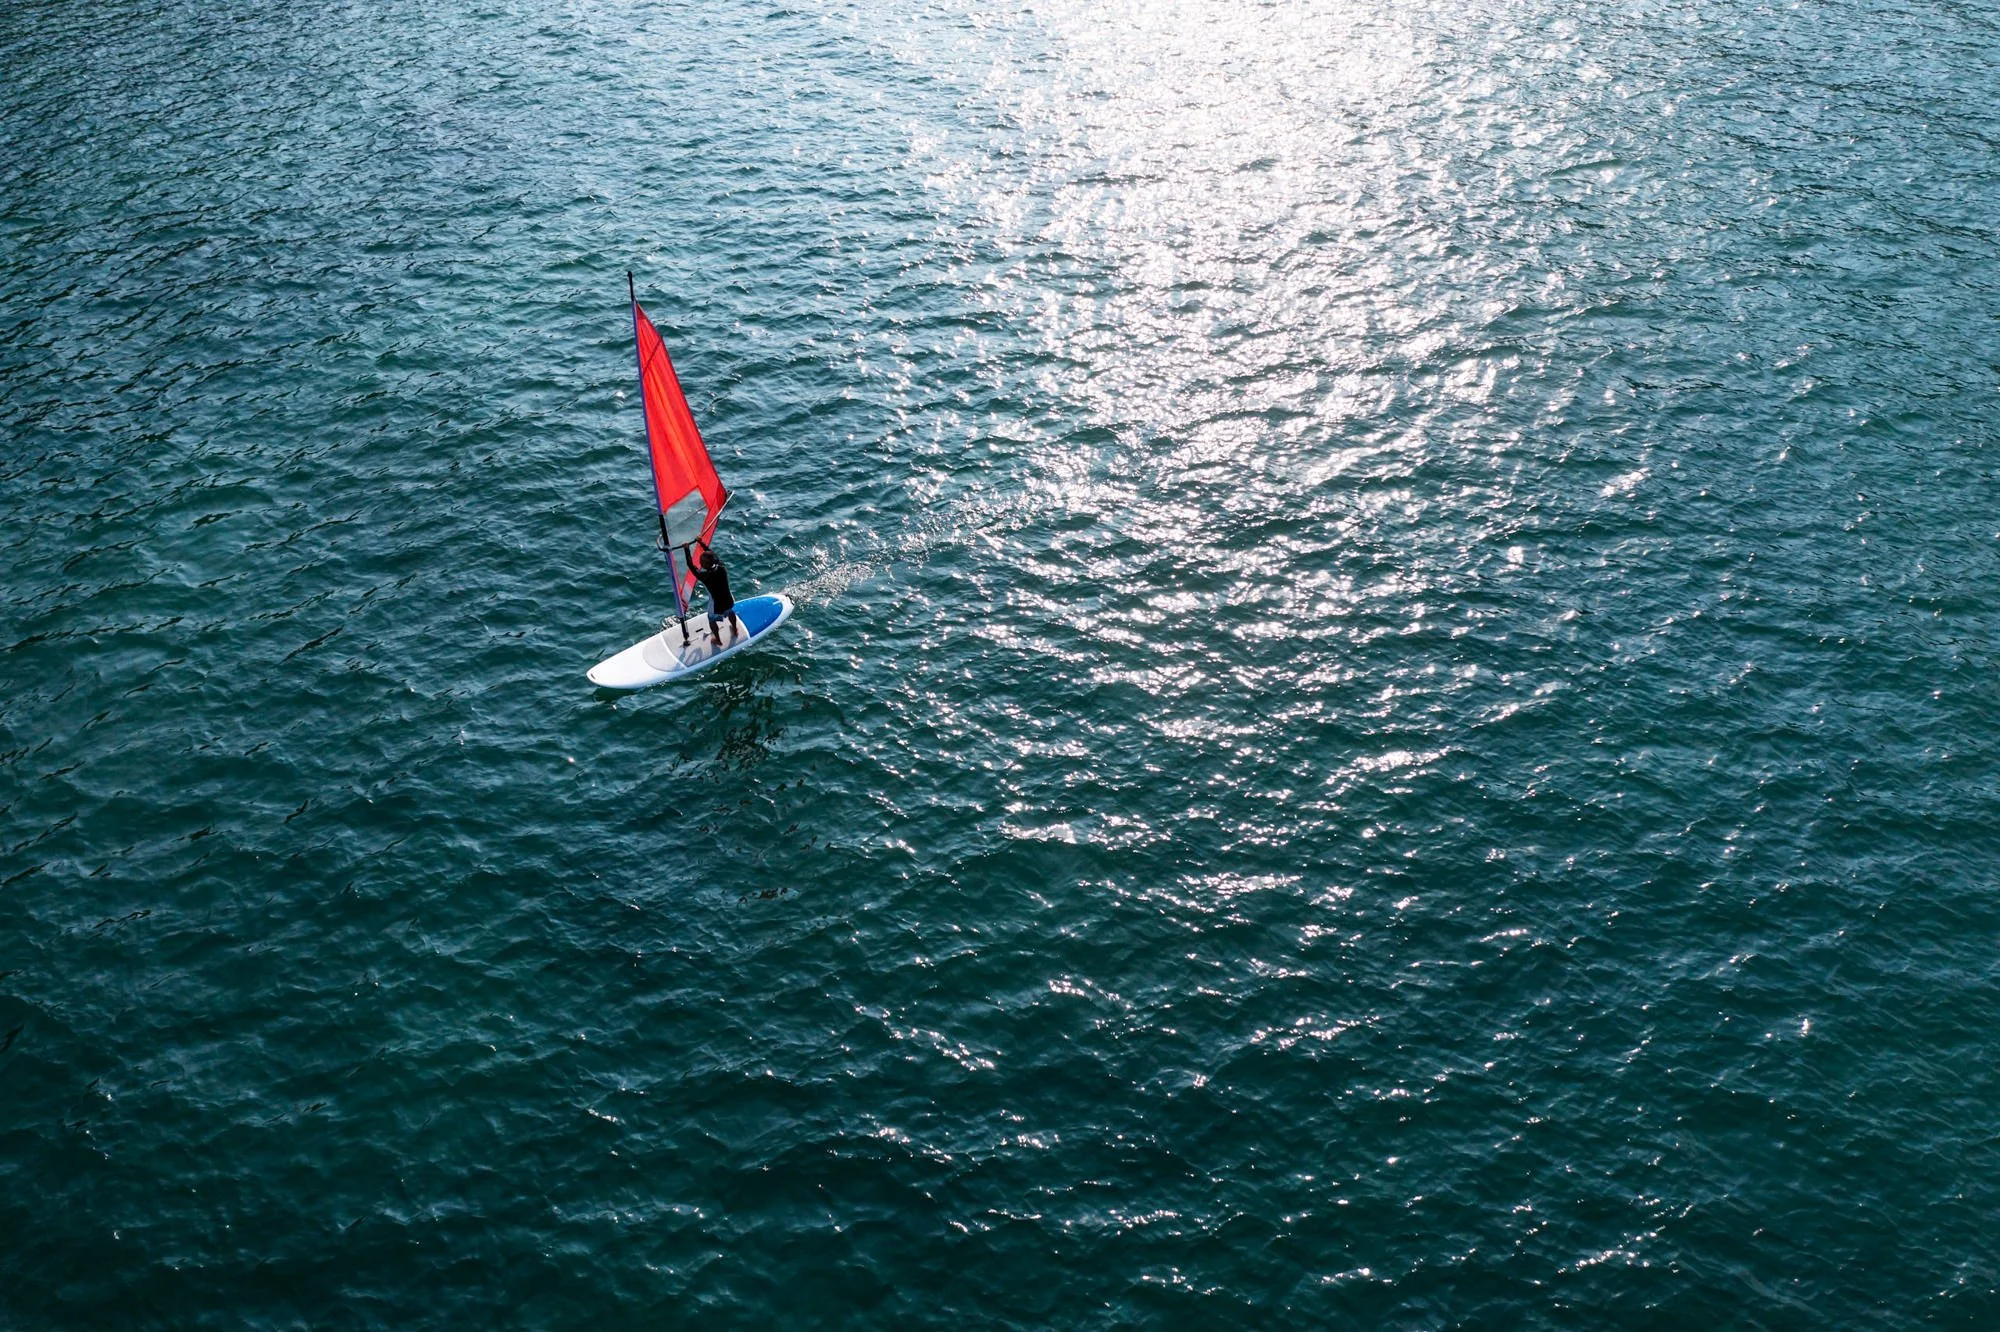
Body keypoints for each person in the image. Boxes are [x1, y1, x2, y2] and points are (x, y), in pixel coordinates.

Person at [686, 539, 741, 644]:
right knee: (730, 611)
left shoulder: (705, 576)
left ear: (705, 565)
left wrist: (686, 549)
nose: (699, 563)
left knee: (711, 620)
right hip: (729, 600)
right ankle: (735, 629)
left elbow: (690, 565)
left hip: (717, 606)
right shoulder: (721, 567)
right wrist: (701, 543)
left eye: (701, 562)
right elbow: (713, 555)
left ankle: (718, 640)